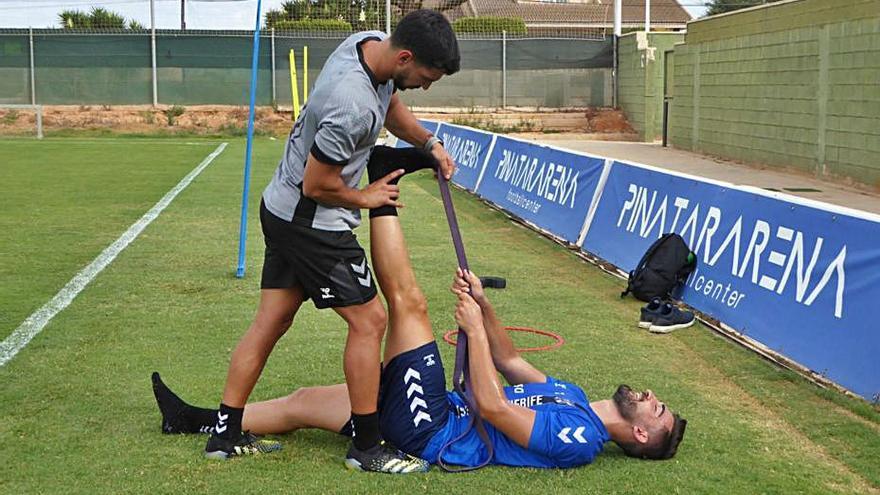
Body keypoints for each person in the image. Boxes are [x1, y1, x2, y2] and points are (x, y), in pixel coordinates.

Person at [157, 161, 687, 471]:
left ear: (640, 436)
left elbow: (496, 409)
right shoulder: (572, 396)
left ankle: (383, 177)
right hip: (438, 408)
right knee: (299, 404)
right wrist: (484, 307)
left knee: (408, 304)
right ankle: (192, 420)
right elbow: (510, 359)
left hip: (433, 428)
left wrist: (472, 332)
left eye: (655, 409)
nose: (647, 396)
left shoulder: (581, 442)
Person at [203, 9, 460, 472]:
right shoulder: (351, 105)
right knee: (369, 320)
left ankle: (224, 434)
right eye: (426, 76)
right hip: (310, 222)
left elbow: (393, 106)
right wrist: (367, 196)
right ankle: (366, 448)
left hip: (280, 210)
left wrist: (428, 143)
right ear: (405, 57)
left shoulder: (369, 44)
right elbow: (316, 184)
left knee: (272, 320)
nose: (427, 85)